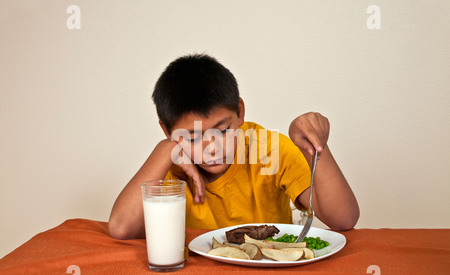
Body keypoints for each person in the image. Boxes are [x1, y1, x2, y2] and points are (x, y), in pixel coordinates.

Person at [108, 54, 359, 239]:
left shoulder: (268, 148)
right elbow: (121, 228)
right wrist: (164, 150)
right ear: (168, 132)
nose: (212, 148)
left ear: (240, 112)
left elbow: (343, 219)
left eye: (223, 130)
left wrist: (314, 149)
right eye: (192, 137)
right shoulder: (169, 166)